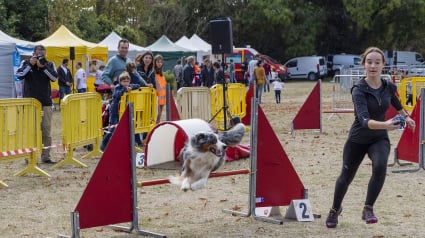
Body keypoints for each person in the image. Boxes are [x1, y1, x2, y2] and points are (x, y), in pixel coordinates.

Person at [325, 47, 416, 228]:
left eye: (377, 62)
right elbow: (365, 120)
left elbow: (396, 103)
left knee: (381, 165)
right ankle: (334, 210)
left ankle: (368, 208)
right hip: (358, 139)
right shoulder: (358, 89)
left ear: (383, 65)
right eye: (369, 62)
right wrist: (387, 125)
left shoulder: (388, 86)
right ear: (364, 65)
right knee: (346, 177)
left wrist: (407, 116)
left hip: (379, 139)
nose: (373, 65)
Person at [16, 44, 58, 164]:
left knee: (46, 130)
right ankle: (30, 156)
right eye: (38, 52)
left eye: (43, 52)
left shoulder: (49, 64)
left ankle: (46, 156)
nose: (41, 54)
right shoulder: (26, 63)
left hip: (46, 102)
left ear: (45, 53)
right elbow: (19, 75)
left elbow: (54, 78)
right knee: (31, 130)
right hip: (30, 103)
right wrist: (31, 65)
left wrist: (43, 67)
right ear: (33, 53)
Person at [100, 72, 141, 151]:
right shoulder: (118, 87)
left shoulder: (129, 86)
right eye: (124, 81)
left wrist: (131, 87)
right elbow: (117, 94)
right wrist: (124, 89)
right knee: (112, 129)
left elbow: (138, 85)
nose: (126, 83)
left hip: (123, 112)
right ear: (120, 81)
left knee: (130, 127)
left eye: (127, 81)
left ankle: (137, 142)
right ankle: (103, 145)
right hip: (115, 112)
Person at [154, 54, 166, 123]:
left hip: (162, 98)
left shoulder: (162, 73)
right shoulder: (153, 73)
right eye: (158, 62)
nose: (159, 64)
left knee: (159, 117)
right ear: (155, 62)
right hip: (156, 98)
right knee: (156, 116)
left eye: (161, 62)